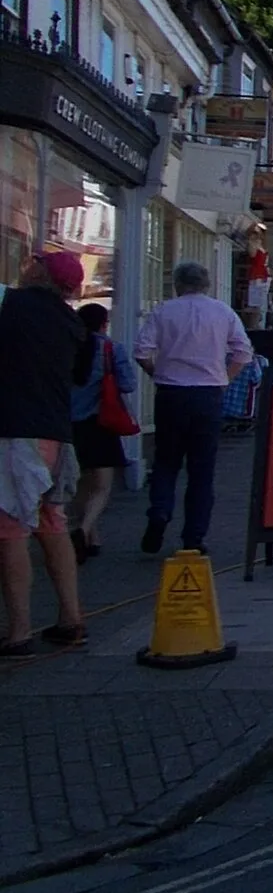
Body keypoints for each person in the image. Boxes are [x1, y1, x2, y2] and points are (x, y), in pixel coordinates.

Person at [0, 253, 94, 653]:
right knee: (51, 522)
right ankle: (71, 618)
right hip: (57, 435)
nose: (25, 266)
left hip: (15, 432)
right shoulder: (73, 324)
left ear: (39, 274)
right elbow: (80, 376)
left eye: (31, 263)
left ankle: (19, 631)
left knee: (9, 530)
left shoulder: (10, 303)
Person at [135, 262, 254, 555]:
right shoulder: (223, 312)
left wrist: (156, 372)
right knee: (202, 469)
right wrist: (226, 379)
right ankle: (194, 537)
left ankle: (160, 511)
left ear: (177, 283)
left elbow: (141, 351)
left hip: (171, 392)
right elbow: (243, 351)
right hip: (208, 394)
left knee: (166, 461)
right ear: (207, 284)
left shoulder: (164, 310)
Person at [68, 302, 137, 562]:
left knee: (80, 483)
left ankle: (90, 537)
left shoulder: (68, 348)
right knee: (102, 487)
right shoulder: (110, 348)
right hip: (100, 423)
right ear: (103, 323)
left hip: (68, 424)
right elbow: (128, 384)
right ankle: (83, 530)